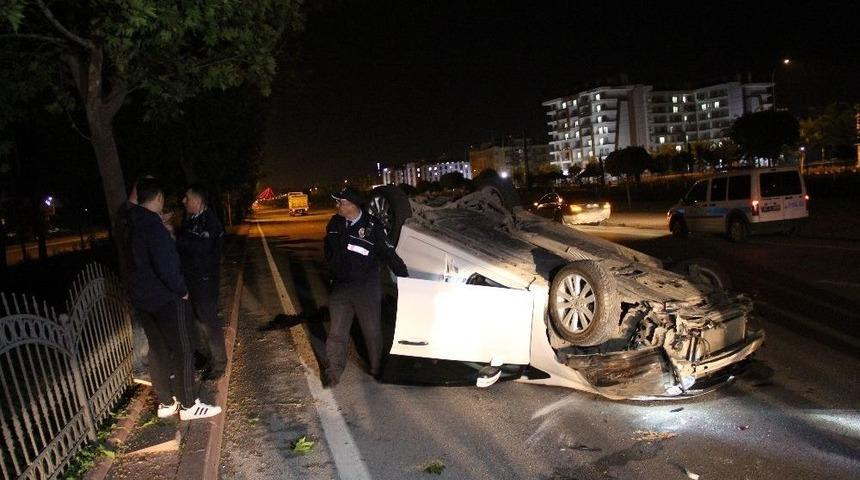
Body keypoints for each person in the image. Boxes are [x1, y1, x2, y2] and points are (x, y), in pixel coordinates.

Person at [128, 177, 221, 420]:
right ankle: (189, 405)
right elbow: (166, 265)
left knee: (158, 350)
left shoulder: (131, 222)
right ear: (159, 198)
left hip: (143, 299)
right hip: (166, 298)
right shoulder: (153, 225)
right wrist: (182, 290)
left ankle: (166, 403)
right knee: (184, 349)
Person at [323, 186, 409, 387]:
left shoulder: (372, 226)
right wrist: (333, 270)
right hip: (341, 287)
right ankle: (333, 373)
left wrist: (404, 277)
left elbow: (389, 253)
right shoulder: (335, 223)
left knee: (372, 332)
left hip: (366, 288)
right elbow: (328, 249)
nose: (337, 205)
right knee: (336, 332)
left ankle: (377, 369)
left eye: (341, 202)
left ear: (352, 205)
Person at [177, 183, 226, 380]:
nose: (184, 201)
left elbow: (201, 249)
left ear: (197, 200)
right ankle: (205, 358)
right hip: (192, 280)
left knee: (209, 321)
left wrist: (175, 238)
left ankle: (219, 364)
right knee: (197, 321)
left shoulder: (210, 223)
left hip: (205, 281)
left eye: (187, 198)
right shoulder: (192, 220)